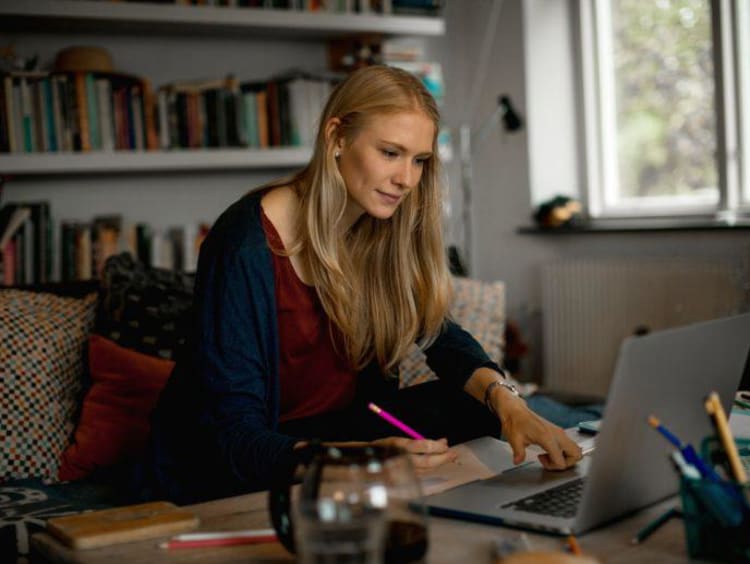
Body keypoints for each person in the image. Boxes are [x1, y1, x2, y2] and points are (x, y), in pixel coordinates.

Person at [140, 65, 582, 505]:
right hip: (246, 455)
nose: (407, 179)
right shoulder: (244, 245)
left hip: (338, 426)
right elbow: (233, 436)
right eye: (390, 152)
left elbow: (440, 336)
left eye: (419, 160)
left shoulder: (376, 226)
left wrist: (510, 403)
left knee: (479, 404)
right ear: (336, 138)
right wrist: (359, 460)